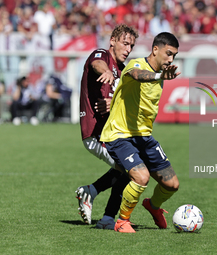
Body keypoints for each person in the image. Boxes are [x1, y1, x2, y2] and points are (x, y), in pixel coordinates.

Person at [100, 32, 181, 233]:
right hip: (120, 135)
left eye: (174, 56)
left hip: (143, 137)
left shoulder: (161, 72)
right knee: (141, 177)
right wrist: (159, 76)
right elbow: (137, 76)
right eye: (168, 53)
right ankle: (122, 221)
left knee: (172, 184)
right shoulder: (136, 65)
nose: (171, 60)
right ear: (155, 49)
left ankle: (153, 206)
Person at [75, 24, 139, 229]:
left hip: (113, 134)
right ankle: (106, 214)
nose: (128, 49)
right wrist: (108, 73)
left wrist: (115, 103)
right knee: (131, 171)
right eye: (125, 43)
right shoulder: (101, 55)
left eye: (132, 46)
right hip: (95, 133)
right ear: (113, 41)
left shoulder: (123, 69)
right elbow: (96, 65)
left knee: (132, 169)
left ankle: (99, 206)